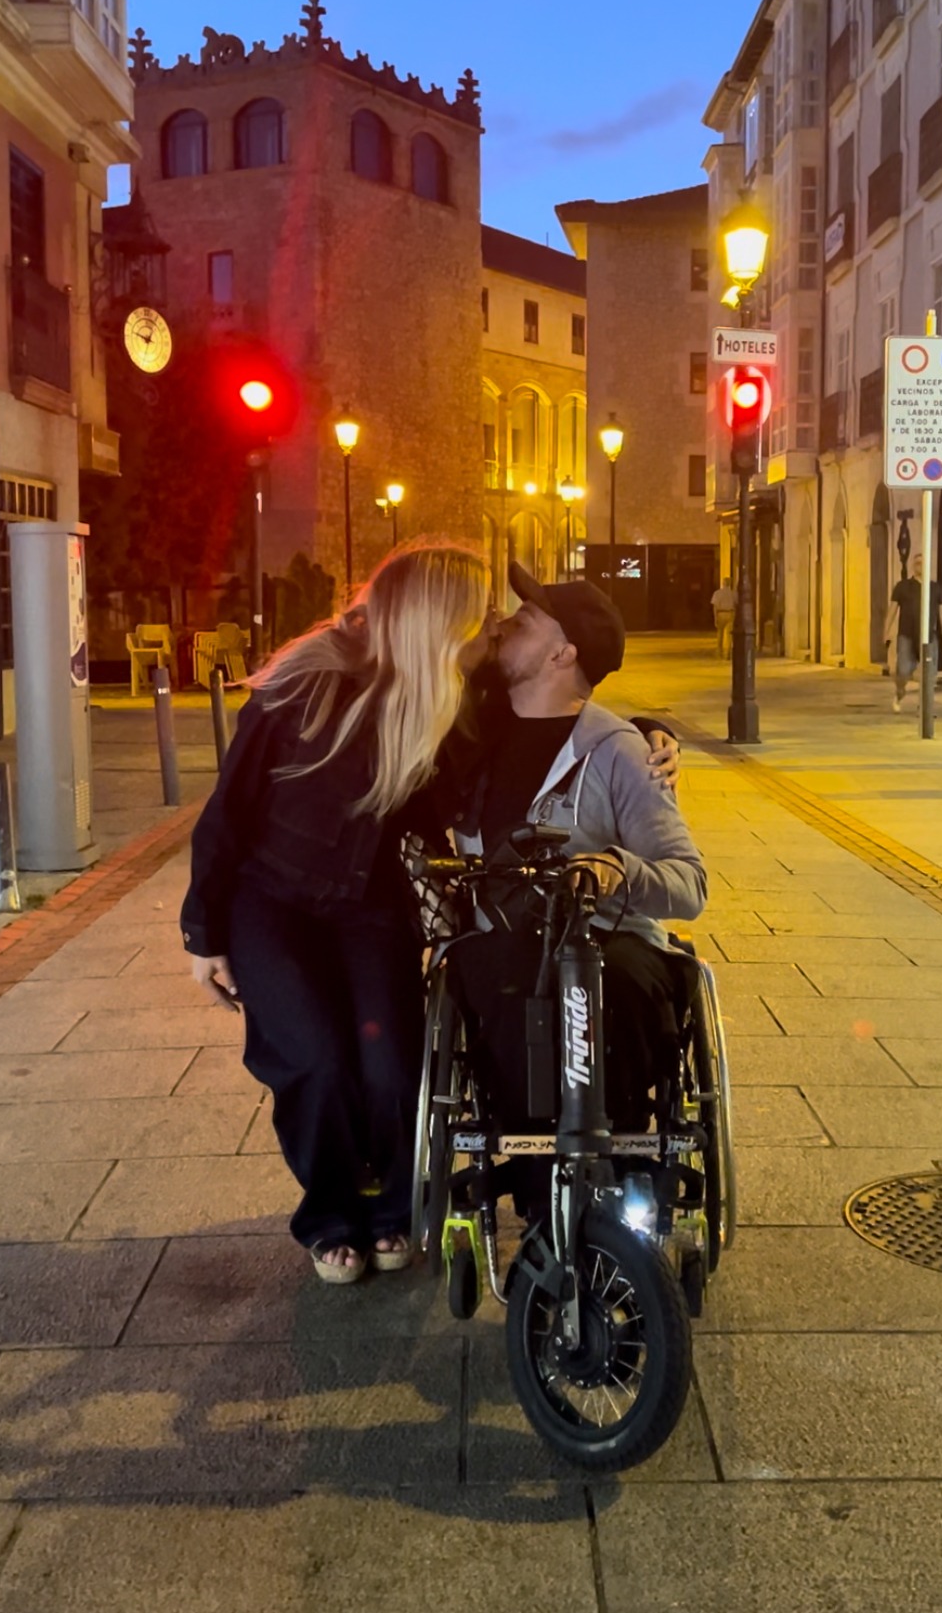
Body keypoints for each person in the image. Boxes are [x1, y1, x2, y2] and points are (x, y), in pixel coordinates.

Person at [180, 541, 491, 1286]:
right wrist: (204, 932)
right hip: (272, 902)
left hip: (371, 906)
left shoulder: (441, 695)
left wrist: (644, 733)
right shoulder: (302, 684)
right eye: (473, 624)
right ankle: (329, 1213)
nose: (483, 639)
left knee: (390, 1065)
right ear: (433, 623)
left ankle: (389, 1203)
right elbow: (229, 812)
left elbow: (545, 721)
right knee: (315, 1058)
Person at [446, 564, 707, 1147]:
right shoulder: (467, 734)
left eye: (527, 618)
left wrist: (619, 870)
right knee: (490, 982)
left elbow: (689, 883)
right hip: (501, 941)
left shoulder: (621, 755)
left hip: (607, 939)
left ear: (563, 653)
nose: (506, 624)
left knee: (620, 988)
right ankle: (532, 1162)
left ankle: (614, 1152)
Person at [885, 550, 942, 712]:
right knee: (903, 671)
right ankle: (900, 692)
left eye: (922, 563)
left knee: (929, 674)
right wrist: (885, 632)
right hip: (906, 635)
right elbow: (892, 611)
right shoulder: (902, 587)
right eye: (916, 563)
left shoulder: (935, 588)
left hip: (929, 636)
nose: (919, 566)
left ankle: (924, 707)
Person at [710, 576, 736, 660]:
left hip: (720, 613)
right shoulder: (733, 593)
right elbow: (736, 604)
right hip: (730, 613)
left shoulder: (717, 593)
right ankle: (728, 653)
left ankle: (719, 652)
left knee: (720, 634)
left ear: (722, 583)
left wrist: (715, 617)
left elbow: (715, 606)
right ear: (730, 584)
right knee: (729, 635)